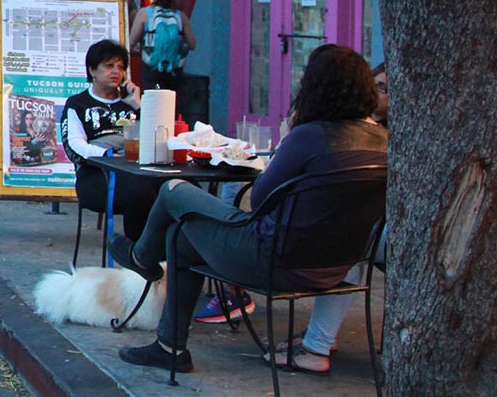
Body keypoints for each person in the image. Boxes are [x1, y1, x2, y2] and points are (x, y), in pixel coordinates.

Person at [110, 44, 386, 373]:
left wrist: (287, 139)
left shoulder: (308, 137)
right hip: (336, 267)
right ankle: (169, 347)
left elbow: (260, 199)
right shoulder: (383, 141)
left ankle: (143, 258)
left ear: (316, 88)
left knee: (173, 189)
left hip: (273, 261)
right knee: (182, 236)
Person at [283, 67, 497, 372]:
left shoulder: (488, 143)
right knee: (358, 228)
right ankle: (319, 340)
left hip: (452, 246)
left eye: (385, 89)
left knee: (350, 234)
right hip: (487, 243)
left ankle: (316, 347)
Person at [62, 40, 161, 238]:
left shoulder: (130, 104)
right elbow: (74, 145)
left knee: (174, 189)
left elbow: (157, 138)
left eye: (121, 67)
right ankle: (138, 255)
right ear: (92, 70)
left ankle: (169, 257)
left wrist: (138, 105)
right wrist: (108, 155)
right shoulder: (77, 104)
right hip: (96, 177)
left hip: (137, 172)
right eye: (109, 66)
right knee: (142, 192)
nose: (116, 71)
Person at [128, 0, 195, 91]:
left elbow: (130, 43)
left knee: (152, 105)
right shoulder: (180, 16)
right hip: (174, 71)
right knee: (172, 105)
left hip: (151, 69)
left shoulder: (145, 14)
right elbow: (193, 44)